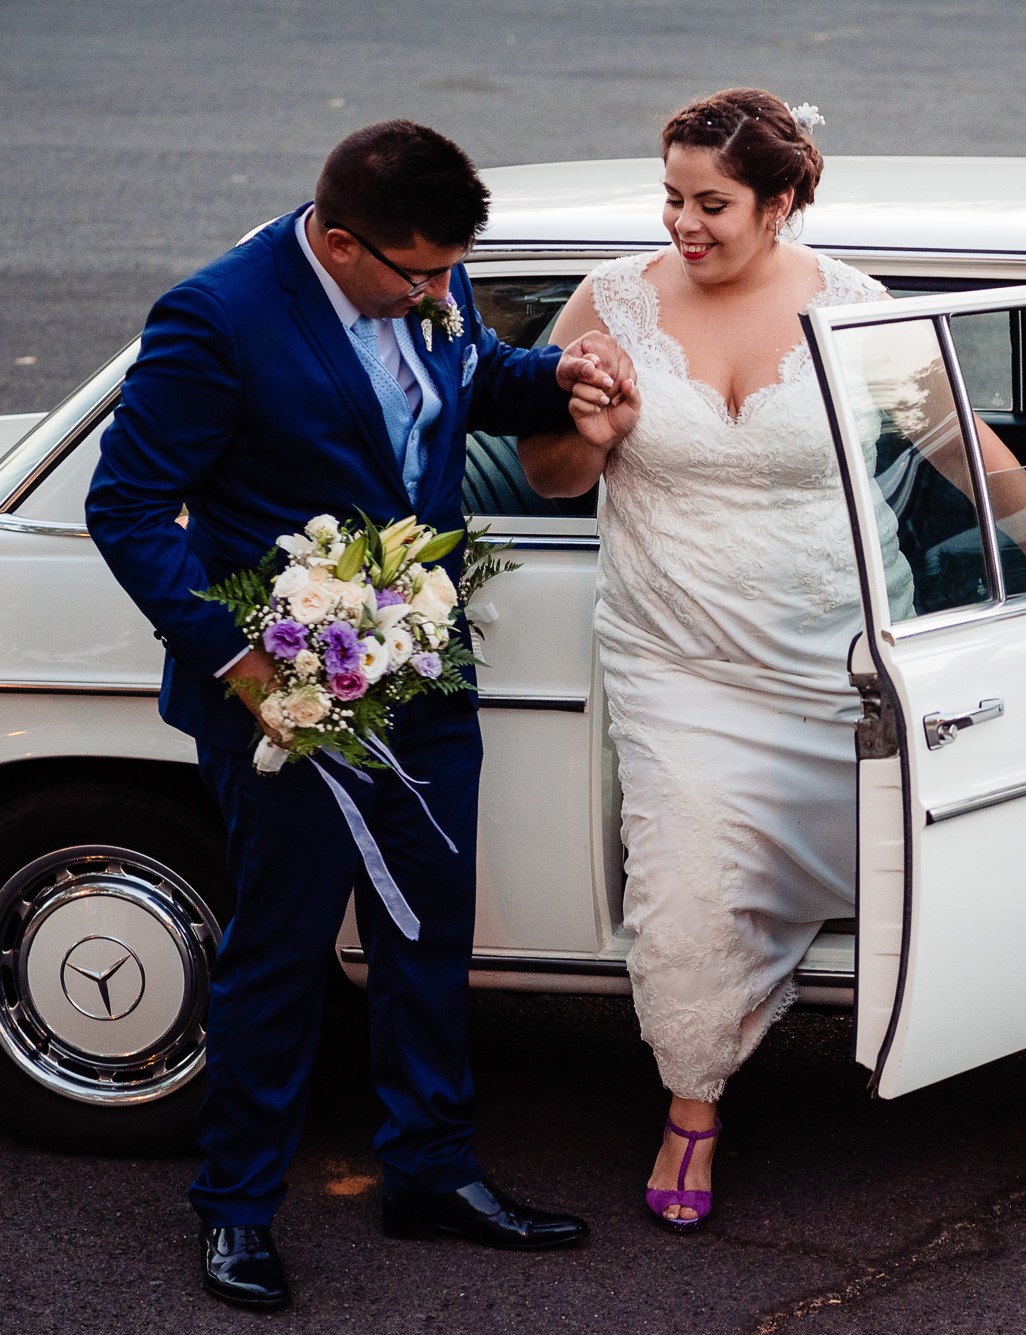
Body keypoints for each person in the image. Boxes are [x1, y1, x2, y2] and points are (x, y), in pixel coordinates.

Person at [519, 87, 1026, 1231]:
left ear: (782, 202)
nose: (682, 226)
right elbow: (549, 477)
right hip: (676, 659)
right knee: (687, 892)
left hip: (837, 659)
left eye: (712, 204)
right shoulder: (609, 302)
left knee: (920, 869)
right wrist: (587, 437)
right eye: (670, 198)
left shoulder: (848, 306)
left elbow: (956, 439)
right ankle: (690, 1104)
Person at [87, 119, 634, 1309]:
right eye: (419, 276)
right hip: (277, 696)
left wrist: (555, 375)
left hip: (423, 668)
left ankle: (430, 1173)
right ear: (338, 243)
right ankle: (235, 1208)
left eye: (448, 273)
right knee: (279, 954)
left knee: (431, 933)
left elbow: (470, 378)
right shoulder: (215, 317)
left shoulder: (429, 274)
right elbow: (126, 508)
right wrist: (240, 661)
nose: (440, 293)